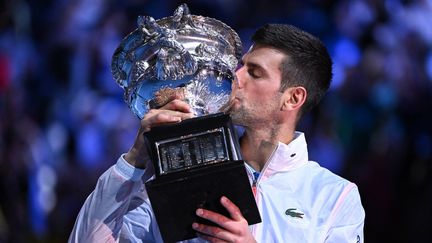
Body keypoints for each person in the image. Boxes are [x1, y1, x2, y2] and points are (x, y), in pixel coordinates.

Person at [69, 24, 365, 243]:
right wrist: (134, 160)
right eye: (240, 67)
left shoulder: (334, 197)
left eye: (255, 72)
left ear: (292, 98)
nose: (235, 77)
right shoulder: (179, 178)